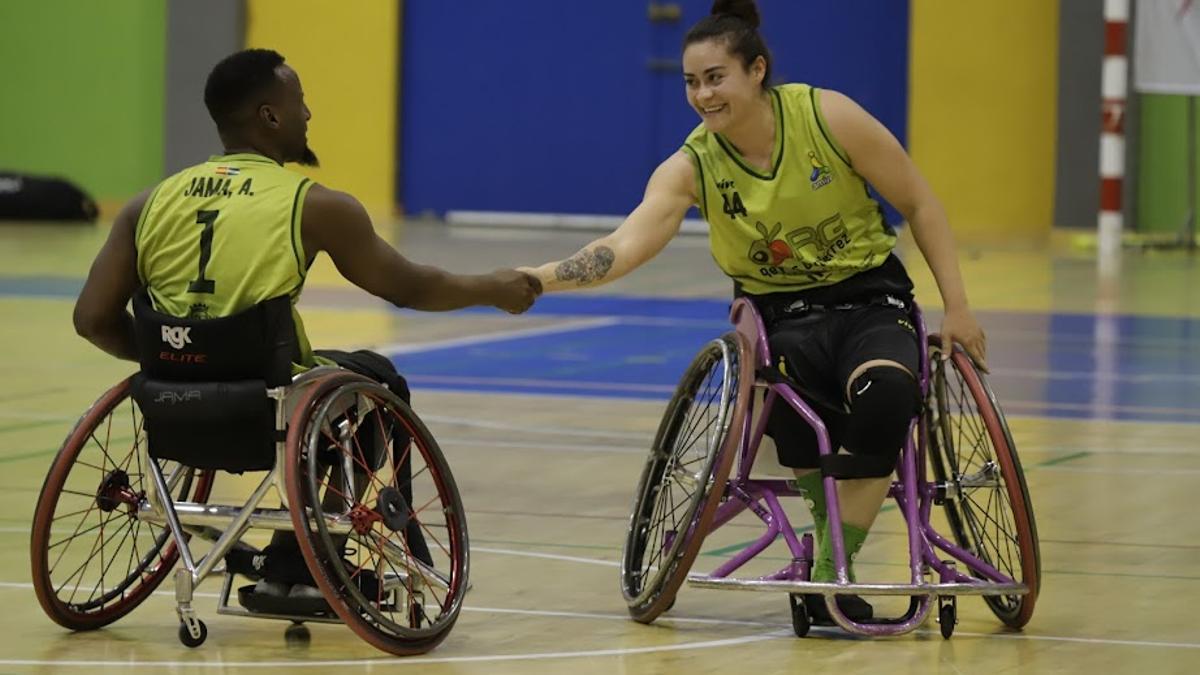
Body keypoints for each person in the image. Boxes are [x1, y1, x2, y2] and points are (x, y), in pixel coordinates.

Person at [520, 0, 987, 625]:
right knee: (797, 421)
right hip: (779, 318)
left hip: (869, 298)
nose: (702, 95)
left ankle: (829, 571)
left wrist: (958, 307)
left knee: (885, 400)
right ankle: (833, 564)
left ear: (757, 71)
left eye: (716, 78)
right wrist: (535, 281)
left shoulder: (827, 117)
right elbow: (623, 247)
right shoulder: (692, 166)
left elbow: (921, 204)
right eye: (691, 81)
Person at [72, 48, 542, 610]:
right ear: (269, 116)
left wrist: (178, 362)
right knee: (375, 380)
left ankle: (289, 556)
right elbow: (409, 288)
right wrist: (492, 287)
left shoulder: (146, 204)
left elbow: (92, 320)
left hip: (168, 399)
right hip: (269, 401)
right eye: (300, 103)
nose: (309, 115)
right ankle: (306, 557)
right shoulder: (315, 206)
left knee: (327, 377)